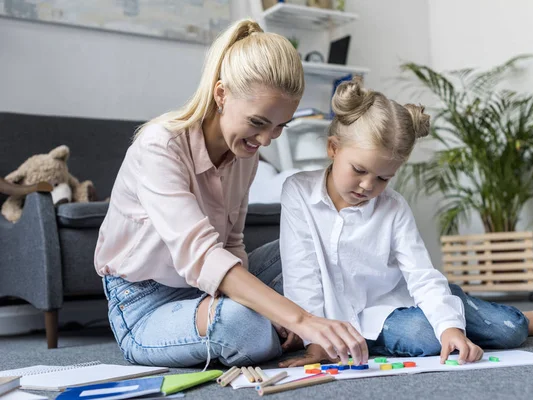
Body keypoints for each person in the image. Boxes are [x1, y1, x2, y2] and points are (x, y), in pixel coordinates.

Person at [94, 19, 369, 369]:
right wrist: (300, 318)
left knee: (317, 244)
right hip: (144, 303)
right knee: (242, 325)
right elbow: (204, 256)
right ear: (221, 94)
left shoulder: (243, 155)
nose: (266, 140)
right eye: (258, 122)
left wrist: (283, 309)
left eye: (279, 127)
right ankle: (292, 328)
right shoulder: (159, 146)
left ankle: (343, 322)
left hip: (209, 289)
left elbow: (233, 243)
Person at [279, 78, 533, 367]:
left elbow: (421, 274)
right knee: (424, 336)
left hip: (393, 307)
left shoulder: (393, 206)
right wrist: (315, 342)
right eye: (359, 170)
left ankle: (472, 311)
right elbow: (301, 271)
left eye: (383, 178)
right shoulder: (298, 191)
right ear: (333, 148)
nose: (367, 185)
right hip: (348, 325)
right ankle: (457, 314)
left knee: (509, 329)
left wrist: (449, 327)